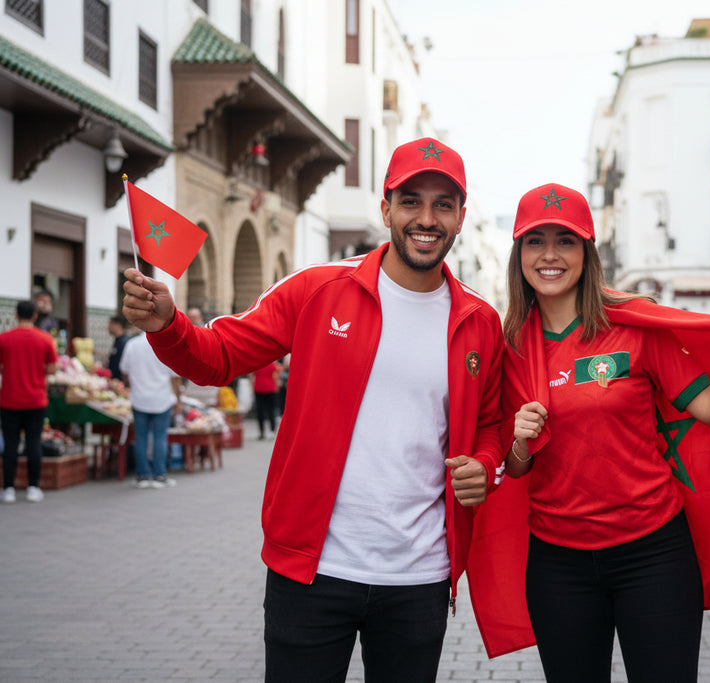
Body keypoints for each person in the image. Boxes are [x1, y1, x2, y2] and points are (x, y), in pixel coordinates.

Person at [121, 137, 504, 682]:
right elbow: (220, 356)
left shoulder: (478, 321)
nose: (426, 218)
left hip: (418, 576)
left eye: (443, 204)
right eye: (411, 200)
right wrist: (169, 325)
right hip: (312, 570)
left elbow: (489, 424)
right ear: (386, 208)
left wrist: (485, 466)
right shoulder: (317, 289)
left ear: (462, 217)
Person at [482, 183, 710, 681]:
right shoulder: (510, 347)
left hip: (653, 553)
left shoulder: (636, 327)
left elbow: (708, 407)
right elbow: (515, 467)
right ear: (519, 254)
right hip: (558, 563)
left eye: (567, 240)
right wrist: (518, 441)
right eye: (536, 241)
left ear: (588, 252)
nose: (550, 255)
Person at [0, 300, 58, 503]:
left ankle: (8, 489)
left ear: (16, 315)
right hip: (36, 400)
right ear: (34, 316)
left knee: (10, 445)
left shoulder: (4, 339)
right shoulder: (44, 339)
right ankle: (33, 487)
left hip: (9, 400)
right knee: (34, 443)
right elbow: (52, 369)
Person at [120, 333, 182, 489]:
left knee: (140, 437)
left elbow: (124, 371)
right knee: (160, 437)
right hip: (162, 398)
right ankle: (160, 475)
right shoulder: (166, 344)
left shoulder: (132, 344)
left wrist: (134, 384)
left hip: (139, 398)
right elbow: (175, 376)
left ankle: (142, 475)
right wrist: (178, 399)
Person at [252, 360, 281, 440]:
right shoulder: (273, 364)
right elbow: (277, 375)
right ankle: (272, 430)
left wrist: (252, 387)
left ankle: (261, 432)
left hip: (258, 389)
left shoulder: (256, 362)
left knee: (260, 412)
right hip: (270, 389)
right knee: (271, 411)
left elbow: (252, 376)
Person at [107, 315, 130, 382]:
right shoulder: (117, 340)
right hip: (114, 381)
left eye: (110, 324)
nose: (108, 327)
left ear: (117, 325)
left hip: (120, 382)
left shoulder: (124, 342)